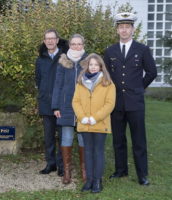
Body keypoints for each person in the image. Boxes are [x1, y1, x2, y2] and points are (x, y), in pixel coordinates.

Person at [104, 12, 157, 186]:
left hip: (135, 103)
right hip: (117, 102)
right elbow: (107, 75)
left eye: (127, 27)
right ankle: (121, 170)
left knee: (139, 140)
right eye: (121, 27)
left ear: (133, 29)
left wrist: (139, 88)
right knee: (118, 139)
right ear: (117, 30)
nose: (124, 30)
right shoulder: (110, 51)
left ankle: (142, 174)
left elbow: (152, 72)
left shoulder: (142, 49)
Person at [72, 53, 116, 193]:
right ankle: (89, 181)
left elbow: (109, 104)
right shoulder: (80, 82)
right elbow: (75, 101)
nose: (93, 67)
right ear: (87, 66)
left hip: (100, 123)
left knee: (98, 152)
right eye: (91, 65)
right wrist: (82, 117)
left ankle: (97, 181)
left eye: (96, 65)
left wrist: (95, 118)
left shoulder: (108, 83)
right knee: (88, 152)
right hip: (84, 123)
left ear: (101, 66)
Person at [52, 34, 87, 184]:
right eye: (73, 44)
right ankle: (67, 173)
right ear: (69, 45)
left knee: (82, 138)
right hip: (66, 107)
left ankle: (85, 171)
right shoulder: (63, 61)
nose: (76, 46)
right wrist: (56, 106)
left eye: (79, 44)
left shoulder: (88, 61)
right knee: (66, 138)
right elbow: (57, 85)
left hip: (84, 107)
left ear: (83, 45)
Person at [35, 29, 68, 176]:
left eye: (52, 38)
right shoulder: (40, 59)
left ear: (57, 40)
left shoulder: (65, 57)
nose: (50, 41)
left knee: (62, 136)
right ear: (44, 41)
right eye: (47, 39)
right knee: (48, 136)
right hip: (46, 102)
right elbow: (38, 80)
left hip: (61, 103)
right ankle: (51, 164)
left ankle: (62, 166)